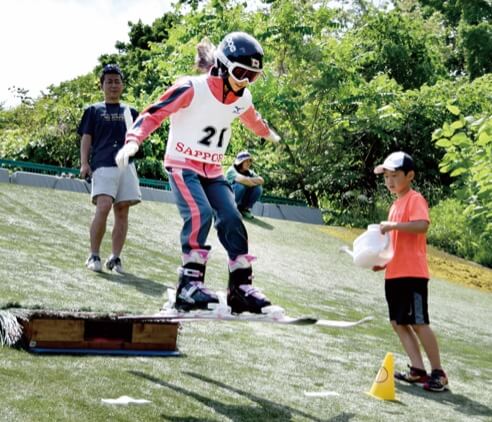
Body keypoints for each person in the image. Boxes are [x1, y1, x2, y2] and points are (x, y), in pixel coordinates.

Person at [115, 32, 280, 313]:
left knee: (231, 217)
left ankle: (240, 287)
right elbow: (154, 112)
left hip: (212, 169)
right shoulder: (192, 88)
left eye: (252, 76)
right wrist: (133, 141)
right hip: (182, 164)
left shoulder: (242, 97)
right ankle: (189, 284)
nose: (244, 82)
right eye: (240, 73)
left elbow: (252, 118)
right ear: (223, 65)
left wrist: (268, 133)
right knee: (199, 213)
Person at [373, 151, 448, 392]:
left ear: (410, 175)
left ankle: (439, 372)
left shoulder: (415, 199)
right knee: (398, 322)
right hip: (394, 274)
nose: (389, 181)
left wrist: (393, 225)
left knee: (418, 322)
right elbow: (394, 242)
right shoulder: (395, 204)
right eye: (386, 176)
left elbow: (422, 226)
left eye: (395, 175)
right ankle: (417, 370)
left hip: (413, 274)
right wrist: (382, 261)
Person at [78, 64, 141, 273]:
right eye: (109, 81)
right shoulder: (93, 110)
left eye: (117, 81)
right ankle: (93, 254)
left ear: (122, 85)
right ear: (102, 85)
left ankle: (115, 258)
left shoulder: (130, 111)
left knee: (122, 212)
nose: (113, 85)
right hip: (103, 164)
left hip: (127, 166)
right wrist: (84, 163)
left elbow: (138, 137)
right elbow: (86, 138)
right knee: (103, 206)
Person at [225, 150, 264, 219]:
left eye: (250, 161)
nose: (249, 163)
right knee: (240, 186)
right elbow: (242, 180)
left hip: (240, 202)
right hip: (226, 201)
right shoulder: (231, 170)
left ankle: (244, 210)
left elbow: (261, 180)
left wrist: (248, 181)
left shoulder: (250, 172)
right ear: (240, 162)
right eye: (246, 161)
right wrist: (251, 182)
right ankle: (230, 209)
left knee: (258, 188)